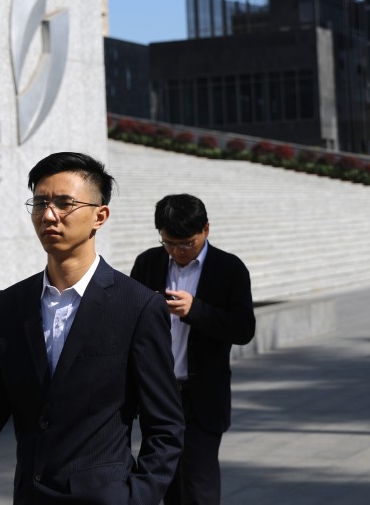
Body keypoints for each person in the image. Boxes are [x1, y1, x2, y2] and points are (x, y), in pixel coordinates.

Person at [0, 152, 184, 505]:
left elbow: (165, 428)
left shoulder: (137, 307)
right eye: (40, 202)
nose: (48, 214)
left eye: (64, 203)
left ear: (100, 216)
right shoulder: (9, 306)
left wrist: (136, 498)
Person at [130, 194, 256, 505]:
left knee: (199, 487)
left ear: (206, 230)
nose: (177, 251)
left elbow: (243, 328)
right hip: (158, 395)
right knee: (163, 483)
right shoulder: (148, 263)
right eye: (169, 243)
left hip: (203, 397)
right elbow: (128, 319)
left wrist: (195, 310)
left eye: (186, 243)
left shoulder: (229, 268)